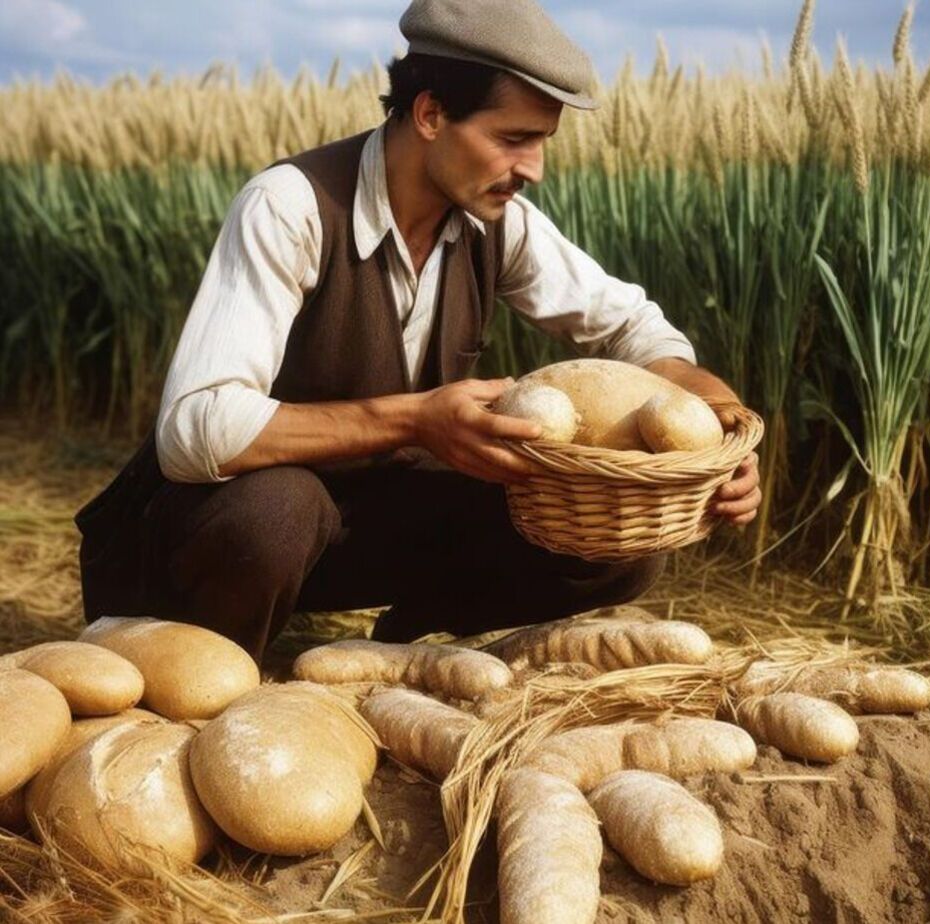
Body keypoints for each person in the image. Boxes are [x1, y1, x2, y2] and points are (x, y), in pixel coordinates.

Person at [73, 0, 760, 661]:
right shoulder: (291, 207)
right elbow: (193, 430)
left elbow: (637, 329)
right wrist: (416, 421)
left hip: (355, 531)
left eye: (542, 142)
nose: (534, 170)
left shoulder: (498, 224)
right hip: (214, 539)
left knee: (620, 548)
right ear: (431, 113)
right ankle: (198, 670)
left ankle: (402, 641)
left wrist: (717, 420)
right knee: (277, 512)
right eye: (513, 139)